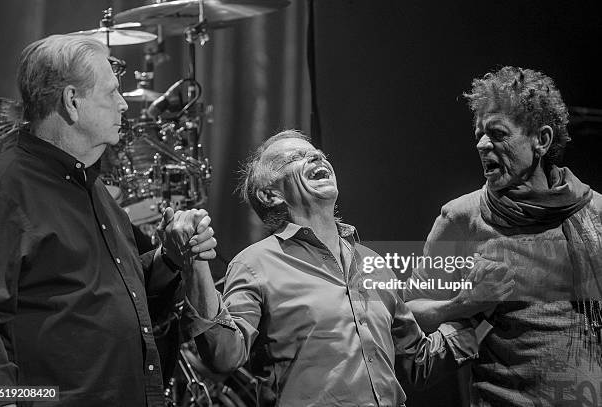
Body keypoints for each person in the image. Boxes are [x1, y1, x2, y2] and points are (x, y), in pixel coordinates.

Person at [180, 129, 487, 407]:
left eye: (317, 153)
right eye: (296, 157)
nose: (315, 155)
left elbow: (416, 363)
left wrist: (479, 308)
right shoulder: (254, 264)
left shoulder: (374, 264)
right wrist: (196, 261)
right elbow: (223, 355)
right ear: (270, 194)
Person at [0, 35, 216, 406]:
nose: (124, 104)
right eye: (112, 92)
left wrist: (170, 258)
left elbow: (120, 290)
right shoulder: (5, 190)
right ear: (72, 102)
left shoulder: (92, 186)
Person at [405, 66, 602, 406]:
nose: (482, 144)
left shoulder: (595, 213)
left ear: (541, 140)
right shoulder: (462, 218)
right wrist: (464, 303)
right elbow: (410, 313)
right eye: (479, 133)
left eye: (497, 133)